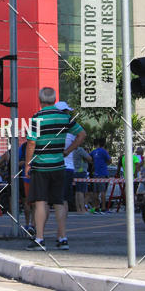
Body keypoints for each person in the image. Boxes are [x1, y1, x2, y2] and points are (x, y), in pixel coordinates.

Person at [24, 88, 86, 250]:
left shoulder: (37, 118)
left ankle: (40, 238)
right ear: (54, 99)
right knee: (59, 201)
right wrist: (68, 150)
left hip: (41, 165)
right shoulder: (65, 117)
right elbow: (82, 134)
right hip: (59, 165)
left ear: (40, 100)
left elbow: (31, 142)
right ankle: (63, 237)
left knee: (40, 202)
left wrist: (28, 163)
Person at [90, 138, 112, 213]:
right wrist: (105, 163)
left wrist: (94, 164)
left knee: (96, 192)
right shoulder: (104, 151)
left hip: (96, 174)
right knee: (103, 192)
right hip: (103, 174)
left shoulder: (93, 151)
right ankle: (103, 208)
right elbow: (110, 160)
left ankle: (96, 207)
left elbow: (89, 159)